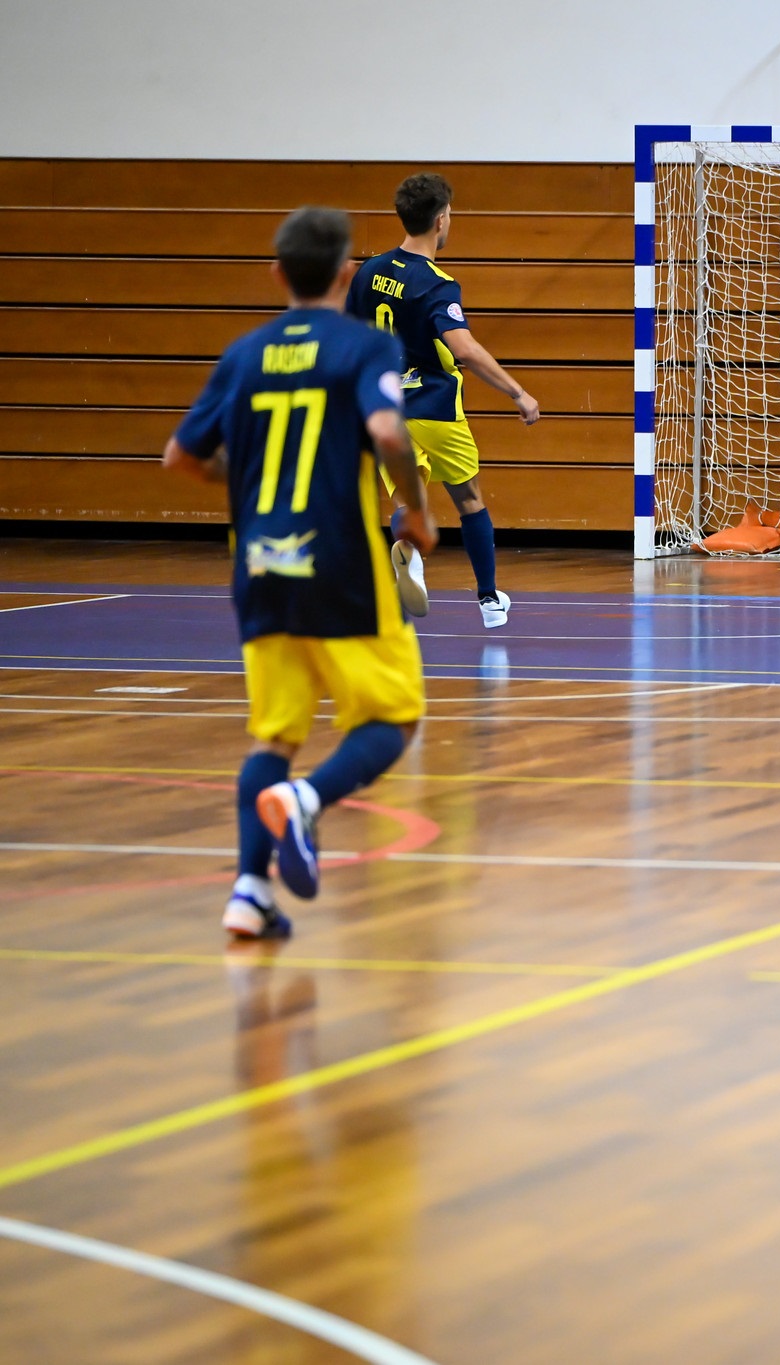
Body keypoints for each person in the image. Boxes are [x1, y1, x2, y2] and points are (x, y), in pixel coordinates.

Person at [163, 206, 437, 940]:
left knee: (273, 736)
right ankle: (307, 802)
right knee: (392, 719)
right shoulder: (363, 345)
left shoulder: (244, 354)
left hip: (259, 562)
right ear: (348, 273)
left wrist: (247, 476)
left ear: (277, 272)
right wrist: (416, 510)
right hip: (340, 562)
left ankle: (250, 892)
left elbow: (180, 457)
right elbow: (386, 432)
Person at [346, 172, 537, 629]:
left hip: (386, 409)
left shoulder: (369, 271)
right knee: (469, 499)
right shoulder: (436, 283)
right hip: (434, 404)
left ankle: (409, 554)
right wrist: (518, 392)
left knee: (409, 502)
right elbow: (465, 349)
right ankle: (490, 601)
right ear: (440, 219)